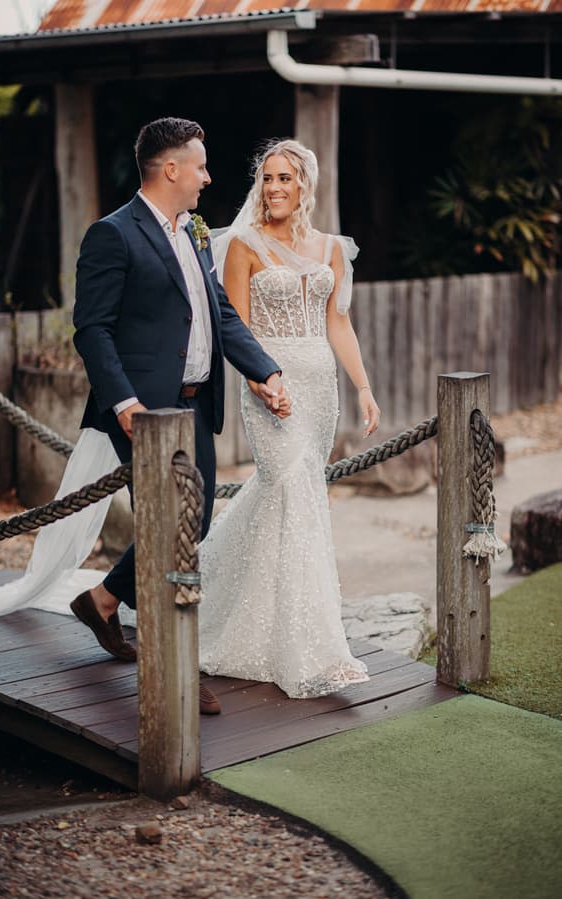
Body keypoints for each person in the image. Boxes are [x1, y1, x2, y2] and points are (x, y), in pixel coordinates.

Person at [69, 117, 290, 715]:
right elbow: (92, 330)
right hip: (143, 415)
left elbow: (217, 311)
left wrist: (264, 370)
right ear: (171, 169)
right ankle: (177, 673)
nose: (207, 176)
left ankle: (105, 600)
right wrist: (126, 405)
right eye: (200, 165)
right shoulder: (112, 235)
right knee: (173, 538)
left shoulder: (194, 233)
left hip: (197, 406)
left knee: (194, 528)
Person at [198, 139, 380, 698]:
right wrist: (262, 382)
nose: (274, 188)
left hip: (320, 387)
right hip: (271, 387)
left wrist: (364, 389)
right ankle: (316, 648)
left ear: (305, 186)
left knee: (295, 503)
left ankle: (270, 622)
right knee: (290, 489)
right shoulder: (244, 245)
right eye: (268, 178)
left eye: (285, 179)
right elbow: (237, 328)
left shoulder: (330, 248)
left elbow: (339, 324)